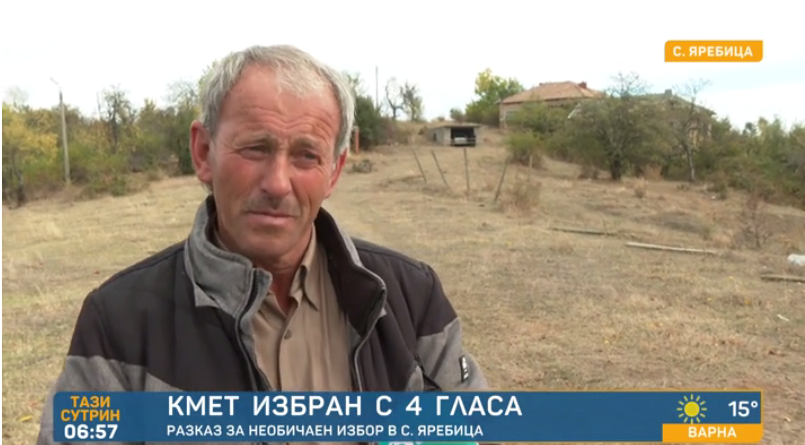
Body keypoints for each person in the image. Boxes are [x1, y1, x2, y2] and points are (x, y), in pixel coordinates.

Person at [36, 44, 489, 444]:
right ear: (203, 152)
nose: (277, 183)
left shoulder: (411, 298)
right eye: (255, 148)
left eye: (306, 156)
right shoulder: (118, 323)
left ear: (334, 171)